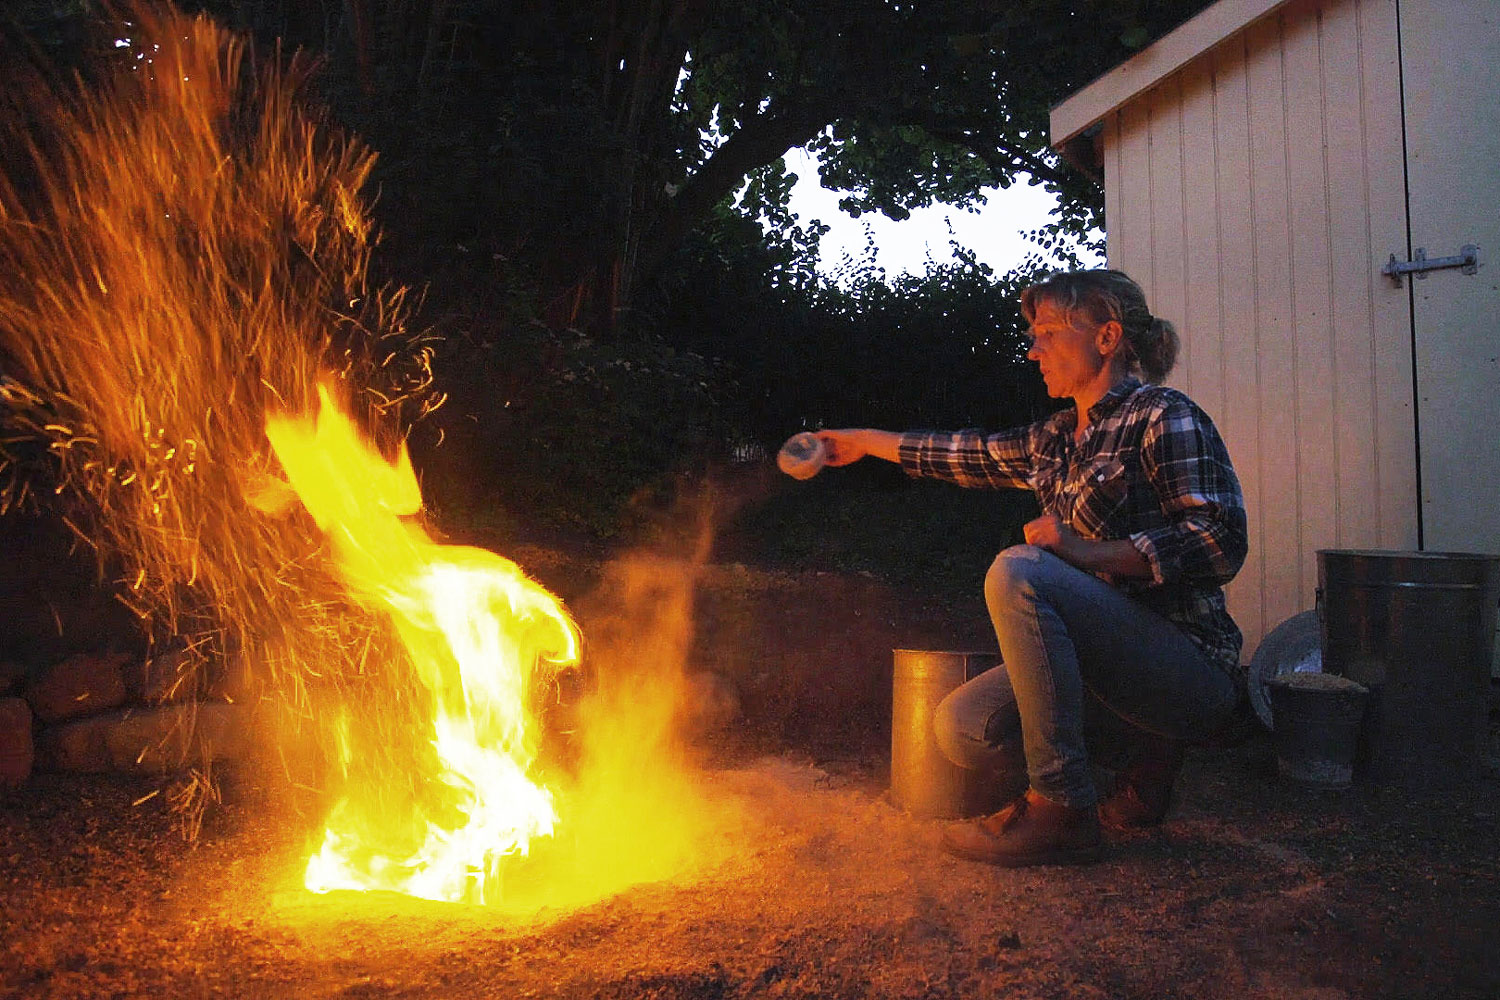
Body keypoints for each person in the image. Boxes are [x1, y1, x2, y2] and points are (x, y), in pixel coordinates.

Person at [815, 269, 1247, 868]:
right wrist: (860, 440)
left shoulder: (1164, 415)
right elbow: (964, 454)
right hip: (1108, 671)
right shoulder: (1053, 439)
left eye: (1047, 332)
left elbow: (1221, 541)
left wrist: (1083, 550)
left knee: (1021, 570)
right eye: (1033, 332)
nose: (1033, 347)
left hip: (1187, 670)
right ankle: (1142, 757)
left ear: (1106, 337)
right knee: (961, 726)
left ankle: (1063, 809)